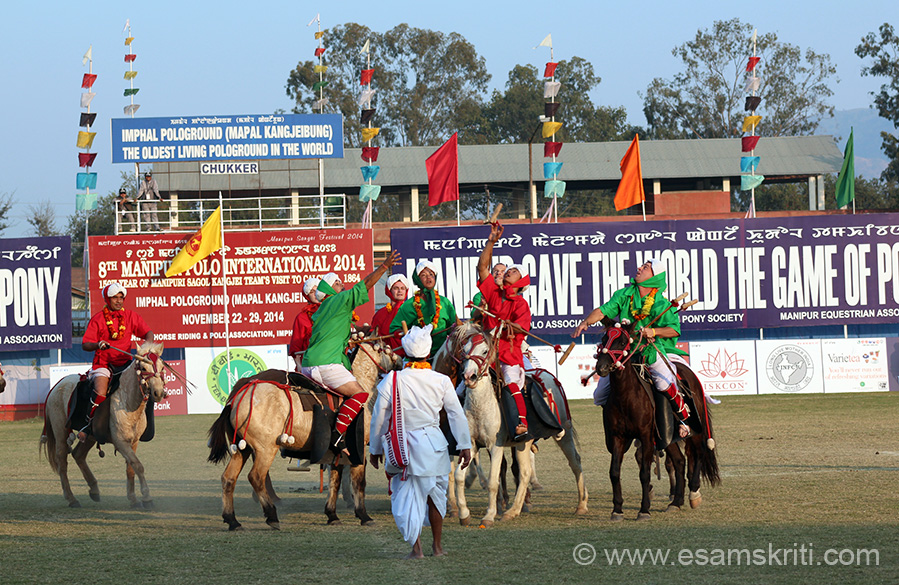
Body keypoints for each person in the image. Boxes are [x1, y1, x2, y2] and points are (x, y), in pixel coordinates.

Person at [369, 325, 472, 559]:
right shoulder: (442, 380)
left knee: (407, 497)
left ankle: (417, 550)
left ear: (404, 354)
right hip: (434, 446)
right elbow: (456, 414)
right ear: (428, 355)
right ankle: (437, 548)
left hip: (402, 447)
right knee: (435, 497)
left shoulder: (391, 379)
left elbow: (379, 418)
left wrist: (374, 449)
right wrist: (464, 445)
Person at [572, 257, 691, 438]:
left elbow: (674, 330)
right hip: (623, 353)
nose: (639, 268)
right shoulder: (624, 294)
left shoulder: (661, 303)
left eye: (645, 267)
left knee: (663, 381)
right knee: (600, 395)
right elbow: (603, 310)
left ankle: (683, 418)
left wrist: (653, 331)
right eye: (642, 265)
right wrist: (586, 322)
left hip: (649, 350)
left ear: (655, 277)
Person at [301, 252, 400, 448]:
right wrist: (383, 267)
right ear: (330, 289)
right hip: (326, 364)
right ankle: (337, 437)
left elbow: (336, 332)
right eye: (338, 283)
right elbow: (364, 285)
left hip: (309, 364)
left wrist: (359, 331)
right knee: (360, 394)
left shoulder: (322, 309)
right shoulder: (338, 300)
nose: (342, 285)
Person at [477, 222, 532, 441]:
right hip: (486, 353)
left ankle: (522, 422)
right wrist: (491, 241)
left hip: (509, 355)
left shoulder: (521, 304)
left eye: (514, 271)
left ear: (521, 282)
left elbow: (522, 327)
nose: (508, 271)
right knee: (464, 382)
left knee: (510, 380)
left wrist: (510, 325)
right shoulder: (493, 292)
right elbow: (483, 268)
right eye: (508, 269)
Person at [79, 283, 155, 441]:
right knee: (100, 391)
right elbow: (85, 344)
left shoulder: (130, 316)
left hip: (126, 364)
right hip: (104, 364)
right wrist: (98, 344)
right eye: (115, 297)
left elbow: (148, 333)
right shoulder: (98, 319)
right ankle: (87, 425)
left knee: (148, 387)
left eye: (121, 297)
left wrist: (147, 348)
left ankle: (145, 428)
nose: (119, 301)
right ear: (107, 299)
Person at [389, 261, 457, 357]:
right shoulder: (409, 305)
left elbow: (454, 327)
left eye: (431, 274)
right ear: (417, 279)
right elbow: (394, 328)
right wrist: (409, 335)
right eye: (423, 275)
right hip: (417, 357)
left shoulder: (445, 302)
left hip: (444, 357)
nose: (428, 277)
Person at [288, 277, 322, 372]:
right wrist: (299, 367)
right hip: (310, 365)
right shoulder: (302, 317)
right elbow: (296, 348)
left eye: (318, 290)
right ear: (307, 295)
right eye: (312, 292)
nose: (315, 294)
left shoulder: (332, 311)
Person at [370, 274, 411, 349]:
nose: (400, 291)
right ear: (389, 291)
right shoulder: (380, 314)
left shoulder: (411, 311)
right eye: (396, 288)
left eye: (402, 288)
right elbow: (374, 336)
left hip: (408, 352)